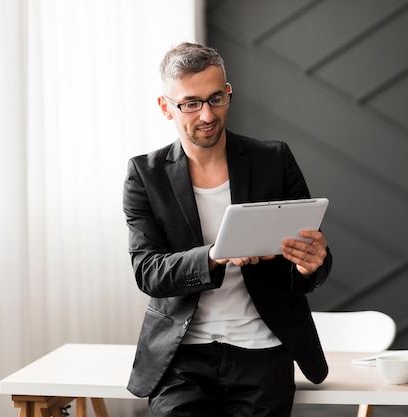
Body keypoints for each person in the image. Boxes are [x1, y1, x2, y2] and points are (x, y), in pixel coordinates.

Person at [123, 42, 332, 417]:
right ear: (164, 106)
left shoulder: (273, 159)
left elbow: (308, 256)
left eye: (216, 98)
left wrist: (310, 265)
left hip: (263, 351)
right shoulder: (145, 175)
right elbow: (148, 272)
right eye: (190, 103)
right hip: (181, 357)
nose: (207, 114)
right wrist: (214, 256)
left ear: (228, 93)